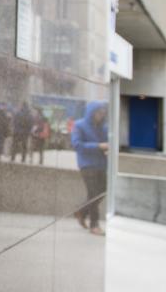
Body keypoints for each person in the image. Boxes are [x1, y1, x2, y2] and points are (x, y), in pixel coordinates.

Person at [71, 101, 108, 236]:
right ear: (91, 112)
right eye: (99, 113)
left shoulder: (104, 128)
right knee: (93, 193)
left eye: (103, 113)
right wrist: (98, 146)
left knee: (103, 190)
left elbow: (107, 144)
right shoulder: (79, 125)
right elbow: (77, 145)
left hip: (102, 164)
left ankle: (81, 211)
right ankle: (94, 225)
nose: (101, 115)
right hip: (87, 164)